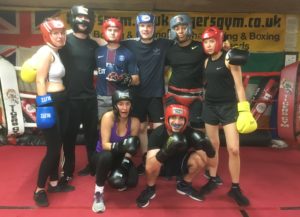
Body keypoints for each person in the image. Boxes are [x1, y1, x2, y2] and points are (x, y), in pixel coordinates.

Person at [200, 26, 257, 206]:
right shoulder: (206, 61)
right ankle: (213, 178)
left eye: (212, 41)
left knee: (233, 148)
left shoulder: (230, 59)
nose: (209, 45)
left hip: (228, 107)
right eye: (206, 42)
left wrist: (244, 109)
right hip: (209, 106)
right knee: (213, 145)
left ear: (218, 41)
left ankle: (235, 187)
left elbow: (240, 86)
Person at [166, 13, 223, 184]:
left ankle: (204, 167)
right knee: (173, 134)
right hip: (174, 96)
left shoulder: (201, 48)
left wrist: (226, 46)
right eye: (177, 28)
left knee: (198, 135)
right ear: (172, 30)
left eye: (183, 27)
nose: (180, 31)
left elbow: (218, 58)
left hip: (195, 98)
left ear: (189, 28)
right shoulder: (169, 50)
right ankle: (171, 166)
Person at [120, 12, 173, 174]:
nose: (146, 29)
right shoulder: (129, 44)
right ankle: (145, 159)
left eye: (149, 26)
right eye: (142, 26)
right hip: (136, 95)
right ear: (138, 27)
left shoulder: (164, 44)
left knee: (159, 130)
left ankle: (157, 160)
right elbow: (107, 42)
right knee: (141, 129)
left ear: (154, 28)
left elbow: (188, 44)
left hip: (155, 95)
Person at [136, 103, 216, 208]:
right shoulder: (158, 134)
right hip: (162, 167)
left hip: (180, 166)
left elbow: (208, 163)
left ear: (186, 120)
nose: (177, 122)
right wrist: (166, 150)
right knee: (149, 162)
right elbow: (149, 165)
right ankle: (150, 188)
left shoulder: (191, 134)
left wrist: (209, 150)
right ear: (167, 119)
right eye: (173, 117)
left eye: (181, 119)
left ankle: (184, 185)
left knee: (199, 159)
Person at [32, 17, 74, 207]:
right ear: (47, 35)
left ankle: (55, 183)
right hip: (51, 101)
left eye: (62, 33)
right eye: (55, 33)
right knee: (53, 148)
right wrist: (44, 106)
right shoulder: (45, 52)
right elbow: (40, 80)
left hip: (62, 100)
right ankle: (39, 188)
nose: (60, 36)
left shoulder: (56, 52)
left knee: (61, 143)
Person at [59, 5, 99, 181]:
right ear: (73, 18)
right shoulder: (64, 41)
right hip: (70, 98)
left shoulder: (93, 44)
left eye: (87, 18)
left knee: (92, 136)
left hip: (90, 98)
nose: (83, 21)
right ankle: (68, 170)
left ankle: (93, 166)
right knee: (69, 137)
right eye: (80, 17)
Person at [91, 90, 140, 213]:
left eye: (127, 104)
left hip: (120, 157)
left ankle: (110, 173)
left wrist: (125, 162)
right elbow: (105, 144)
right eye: (121, 104)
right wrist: (122, 145)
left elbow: (131, 147)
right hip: (102, 155)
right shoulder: (108, 117)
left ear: (131, 105)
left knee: (132, 181)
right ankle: (98, 192)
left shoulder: (134, 122)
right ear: (115, 105)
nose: (124, 108)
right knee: (106, 157)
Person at [95, 18, 139, 119]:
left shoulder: (128, 53)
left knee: (121, 129)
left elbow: (136, 80)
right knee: (101, 128)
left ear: (120, 32)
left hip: (122, 98)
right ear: (104, 31)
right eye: (110, 30)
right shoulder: (97, 51)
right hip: (102, 98)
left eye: (116, 30)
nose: (113, 33)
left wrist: (124, 79)